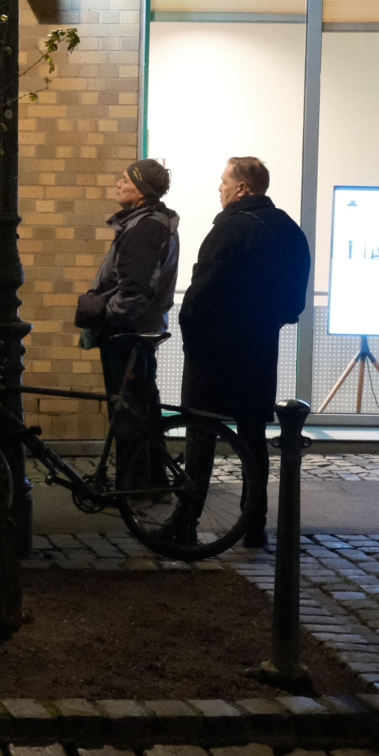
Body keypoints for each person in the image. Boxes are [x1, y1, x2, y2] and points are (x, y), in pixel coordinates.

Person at [177, 157, 312, 548]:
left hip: (213, 354)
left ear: (241, 188)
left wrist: (193, 337)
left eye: (224, 181)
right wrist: (265, 322)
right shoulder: (288, 230)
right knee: (253, 440)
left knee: (200, 437)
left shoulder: (230, 228)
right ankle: (254, 523)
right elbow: (294, 302)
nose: (219, 188)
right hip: (259, 352)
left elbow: (201, 294)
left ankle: (185, 521)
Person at [81, 159, 179, 489]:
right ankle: (152, 483)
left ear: (141, 191)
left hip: (127, 333)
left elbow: (134, 290)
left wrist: (108, 316)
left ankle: (134, 489)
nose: (118, 184)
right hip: (138, 329)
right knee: (143, 408)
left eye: (125, 180)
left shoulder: (145, 228)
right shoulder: (151, 222)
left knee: (129, 413)